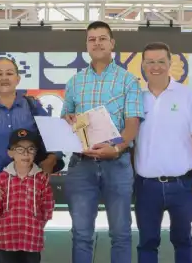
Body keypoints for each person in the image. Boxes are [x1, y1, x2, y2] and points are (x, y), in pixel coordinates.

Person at [61, 21, 144, 263]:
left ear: (112, 43)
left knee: (120, 233)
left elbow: (132, 124)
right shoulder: (75, 82)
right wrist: (67, 118)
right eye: (92, 39)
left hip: (117, 163)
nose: (97, 43)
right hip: (81, 164)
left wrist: (117, 148)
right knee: (81, 234)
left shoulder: (128, 80)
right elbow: (66, 116)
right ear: (86, 44)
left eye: (102, 38)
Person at [0, 57, 63, 263]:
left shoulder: (31, 106)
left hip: (28, 186)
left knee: (28, 245)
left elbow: (54, 136)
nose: (4, 78)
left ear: (18, 79)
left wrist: (51, 159)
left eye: (9, 73)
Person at [133, 42, 192, 263]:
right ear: (143, 65)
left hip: (183, 185)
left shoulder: (187, 96)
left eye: (160, 61)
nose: (155, 67)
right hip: (146, 186)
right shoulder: (136, 97)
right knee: (147, 242)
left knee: (183, 240)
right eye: (150, 62)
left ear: (170, 63)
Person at [0, 128, 54, 263]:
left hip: (32, 240)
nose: (25, 153)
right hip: (6, 239)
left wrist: (37, 226)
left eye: (31, 149)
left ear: (35, 153)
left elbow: (47, 209)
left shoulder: (41, 180)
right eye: (19, 149)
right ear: (10, 153)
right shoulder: (1, 179)